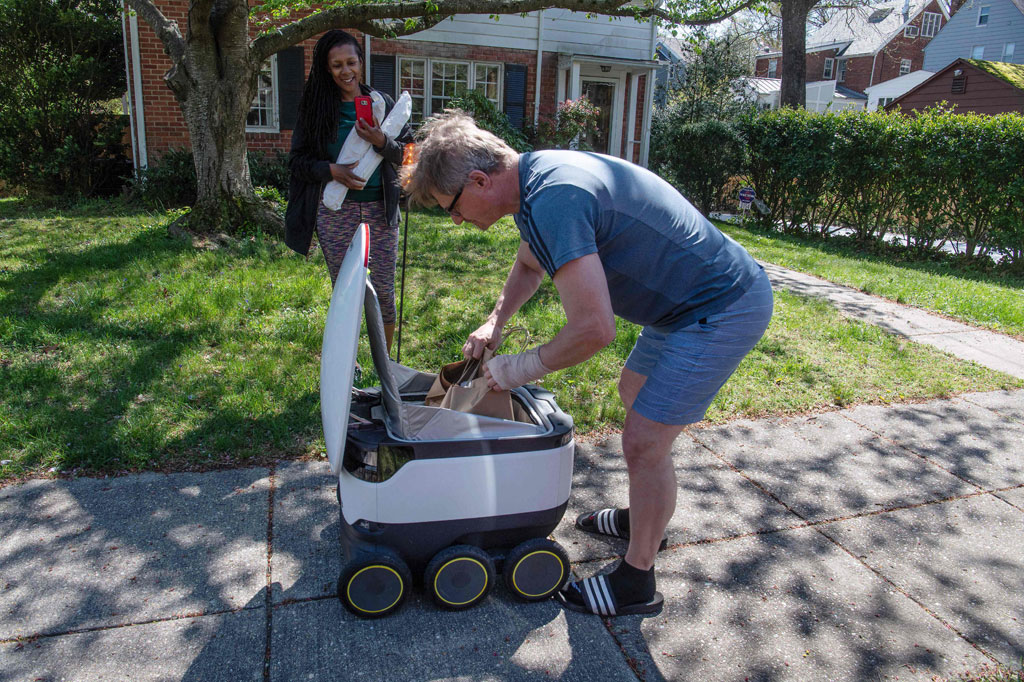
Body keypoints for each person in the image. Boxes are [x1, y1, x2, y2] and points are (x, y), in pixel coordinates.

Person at [400, 111, 774, 617]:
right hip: (681, 307)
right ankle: (644, 517)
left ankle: (637, 581)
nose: (457, 221)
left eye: (454, 208)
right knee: (634, 392)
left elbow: (595, 329)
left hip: (720, 306)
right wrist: (496, 321)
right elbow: (530, 262)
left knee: (644, 440)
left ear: (480, 180)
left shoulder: (554, 197)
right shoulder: (534, 183)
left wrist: (517, 369)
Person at [285, 30, 413, 351]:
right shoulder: (315, 110)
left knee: (383, 288)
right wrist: (333, 171)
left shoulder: (383, 105)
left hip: (380, 211)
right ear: (327, 68)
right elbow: (298, 162)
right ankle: (348, 362)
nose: (346, 71)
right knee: (346, 289)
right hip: (334, 212)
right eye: (337, 65)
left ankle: (382, 362)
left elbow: (413, 154)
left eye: (351, 63)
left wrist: (381, 141)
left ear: (361, 63)